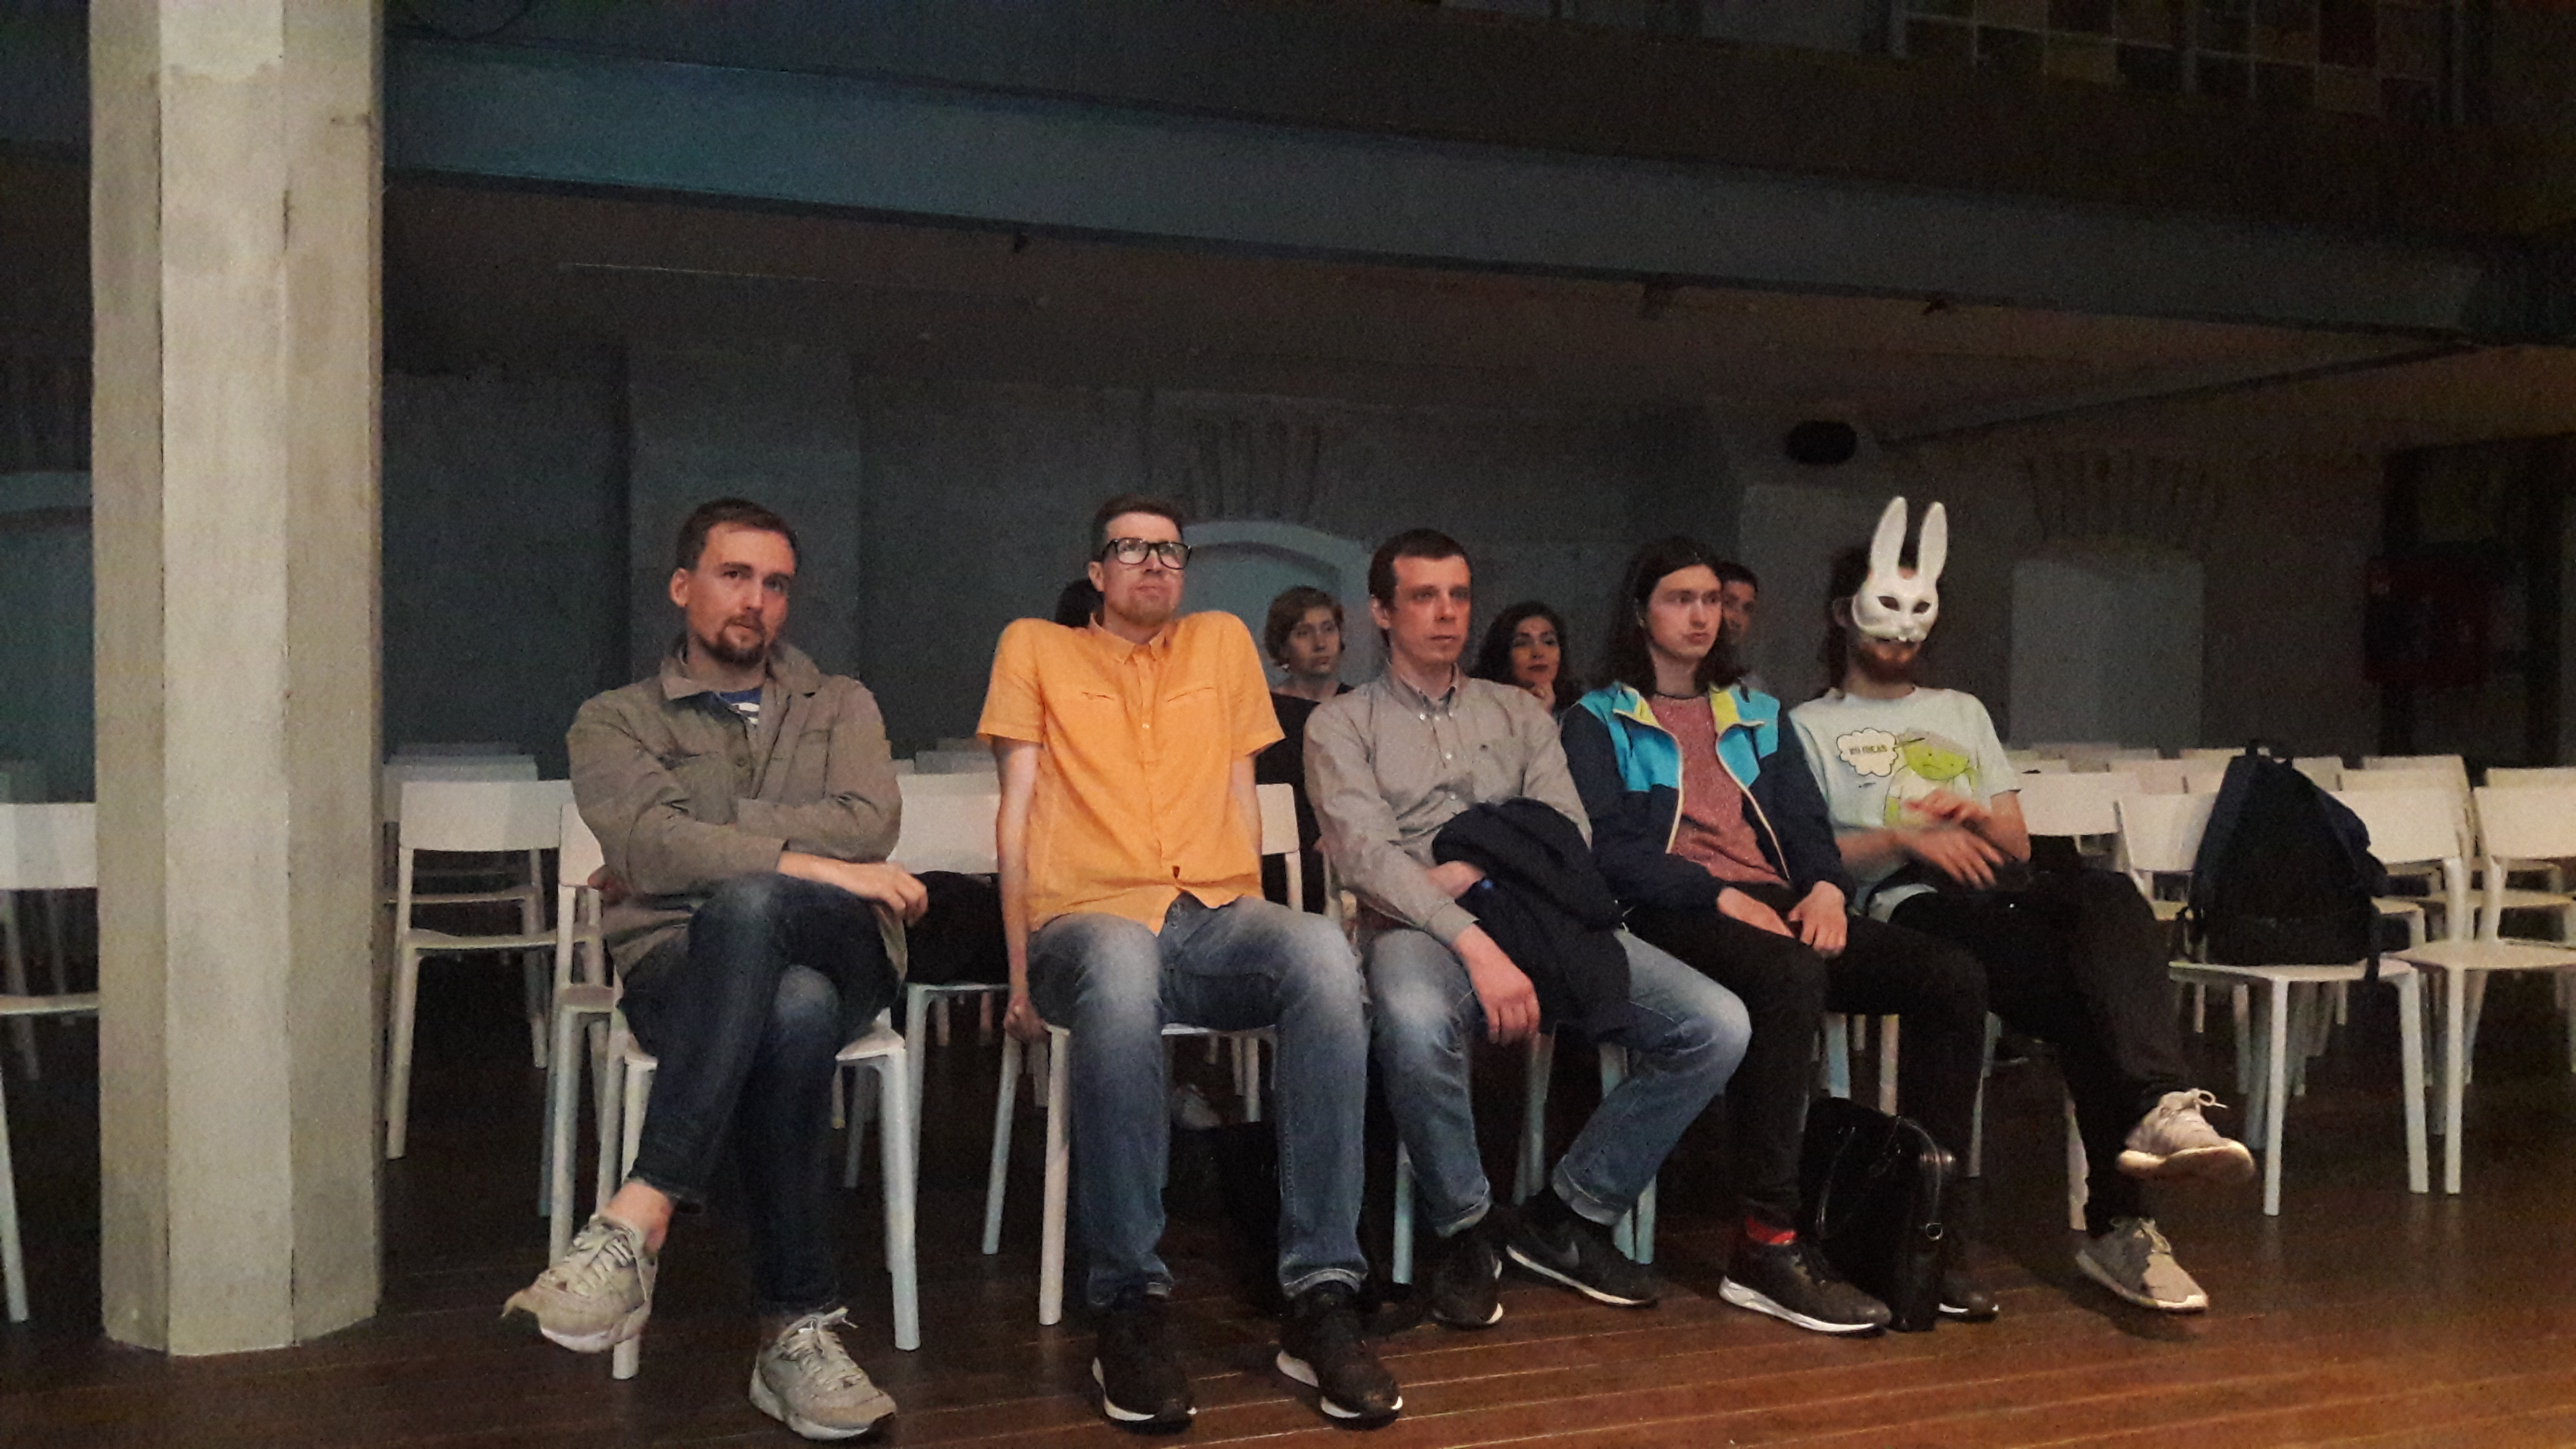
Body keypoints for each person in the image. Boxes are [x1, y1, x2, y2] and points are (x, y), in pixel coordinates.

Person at [979, 495, 1399, 1429]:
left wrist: (1250, 908)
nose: (1155, 564)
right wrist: (1017, 979)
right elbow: (1015, 814)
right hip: (1084, 923)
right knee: (1122, 960)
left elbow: (1241, 793)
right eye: (1131, 549)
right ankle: (1129, 1302)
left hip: (1208, 915)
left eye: (1171, 551)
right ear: (1097, 571)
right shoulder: (1036, 648)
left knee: (1323, 954)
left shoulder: (1219, 644)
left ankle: (1321, 1292)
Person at [507, 498, 920, 1440]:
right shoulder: (613, 720)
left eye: (776, 584)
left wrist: (713, 845)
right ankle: (795, 1334)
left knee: (750, 908)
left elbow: (870, 822)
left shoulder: (841, 702)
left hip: (841, 942)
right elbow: (647, 846)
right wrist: (817, 861)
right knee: (793, 1008)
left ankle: (639, 1212)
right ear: (682, 585)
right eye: (735, 576)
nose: (757, 601)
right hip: (678, 962)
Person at [1788, 497, 2252, 1315]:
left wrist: (1968, 817)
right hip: (1905, 904)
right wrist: (1905, 837)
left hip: (1997, 891)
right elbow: (1808, 855)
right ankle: (2121, 1220)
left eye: (1920, 610)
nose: (1904, 631)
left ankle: (2158, 1107)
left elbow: (2017, 844)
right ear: (1841, 613)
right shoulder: (1807, 727)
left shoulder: (1961, 711)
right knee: (2085, 1001)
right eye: (1886, 607)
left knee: (2109, 894)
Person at [1308, 530, 1750, 1332]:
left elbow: (1568, 830)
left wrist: (1469, 867)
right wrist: (1473, 939)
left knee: (1717, 1024)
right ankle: (1467, 1227)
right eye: (1424, 597)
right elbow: (1369, 862)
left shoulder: (1516, 710)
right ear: (1382, 612)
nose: (1447, 613)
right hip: (1416, 930)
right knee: (1413, 1015)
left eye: (1459, 595)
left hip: (1540, 914)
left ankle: (1569, 1213)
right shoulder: (1342, 723)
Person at [1561, 534, 1991, 1335]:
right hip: (1668, 907)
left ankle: (1924, 1229)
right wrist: (1719, 896)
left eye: (1711, 600)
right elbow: (1610, 849)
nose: (1702, 616)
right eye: (1680, 600)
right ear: (1640, 614)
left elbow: (1803, 822)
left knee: (1952, 976)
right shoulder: (1598, 718)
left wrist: (1826, 887)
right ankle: (1766, 1242)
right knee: (1790, 974)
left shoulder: (1754, 713)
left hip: (1778, 901)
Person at [1256, 585, 1350, 912]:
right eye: (1303, 633)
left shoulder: (1362, 707)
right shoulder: (1263, 712)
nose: (1320, 643)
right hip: (1282, 852)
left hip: (1351, 844)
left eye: (1328, 629)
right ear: (1283, 647)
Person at [1469, 601, 1582, 716]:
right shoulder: (1479, 711)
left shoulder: (1581, 713)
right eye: (1522, 644)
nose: (1538, 653)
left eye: (1549, 642)